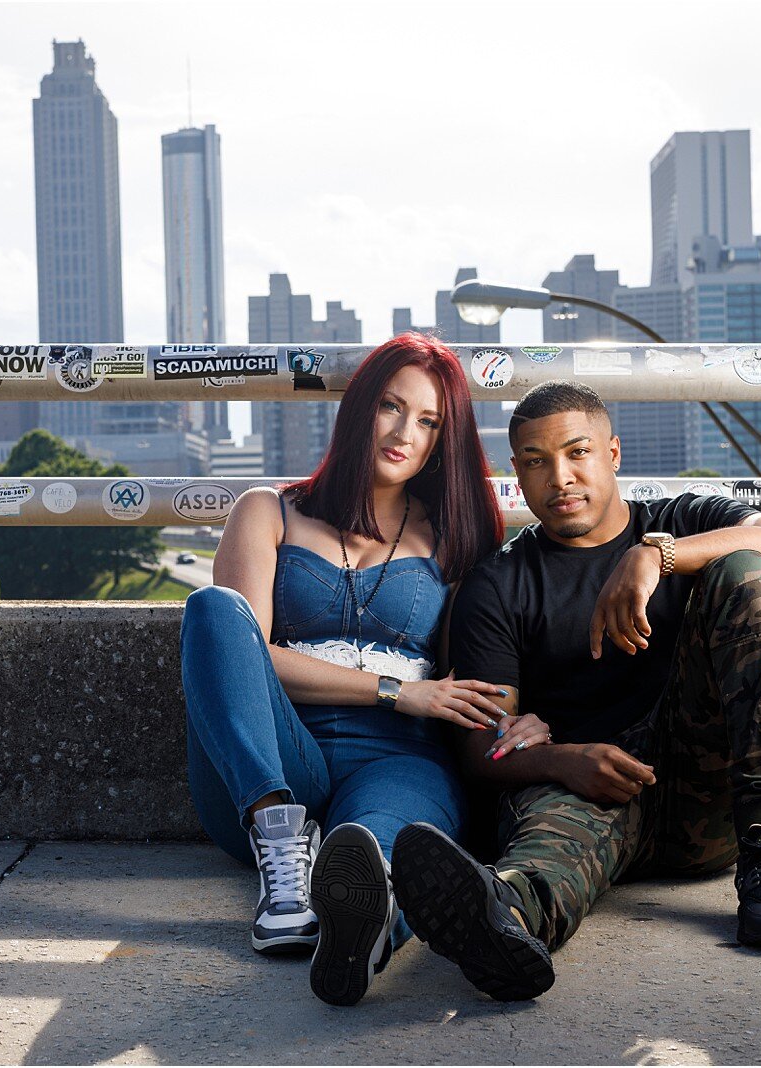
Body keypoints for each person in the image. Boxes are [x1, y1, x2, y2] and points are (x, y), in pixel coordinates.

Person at [393, 380, 761, 1002]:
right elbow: (482, 747)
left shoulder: (683, 520)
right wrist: (563, 758)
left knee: (747, 569)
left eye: (577, 453)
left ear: (613, 454)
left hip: (710, 795)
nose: (560, 478)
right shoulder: (501, 583)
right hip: (591, 792)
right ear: (518, 472)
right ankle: (504, 918)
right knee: (540, 853)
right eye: (537, 462)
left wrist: (657, 558)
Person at [178, 334, 548, 1007]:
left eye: (429, 421)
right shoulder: (269, 512)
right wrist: (396, 690)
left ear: (444, 436)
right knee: (213, 609)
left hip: (398, 759)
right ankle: (280, 849)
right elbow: (242, 654)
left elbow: (485, 663)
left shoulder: (455, 534)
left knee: (380, 855)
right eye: (391, 407)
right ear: (359, 409)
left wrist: (531, 713)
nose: (406, 432)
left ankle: (364, 933)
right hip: (272, 755)